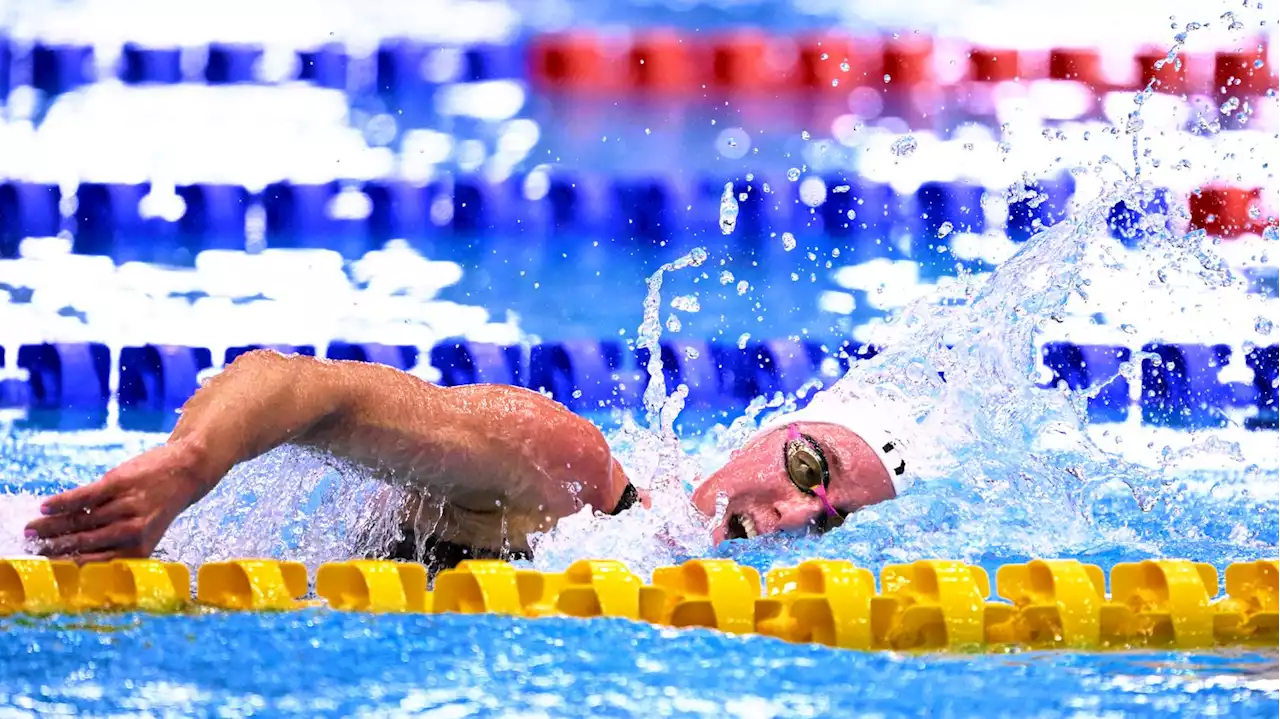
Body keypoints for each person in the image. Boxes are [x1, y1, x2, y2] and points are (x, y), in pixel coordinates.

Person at [23, 350, 912, 575]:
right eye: (807, 468)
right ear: (769, 433)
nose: (797, 513)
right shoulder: (573, 476)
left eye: (827, 516)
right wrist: (187, 464)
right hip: (66, 550)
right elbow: (302, 385)